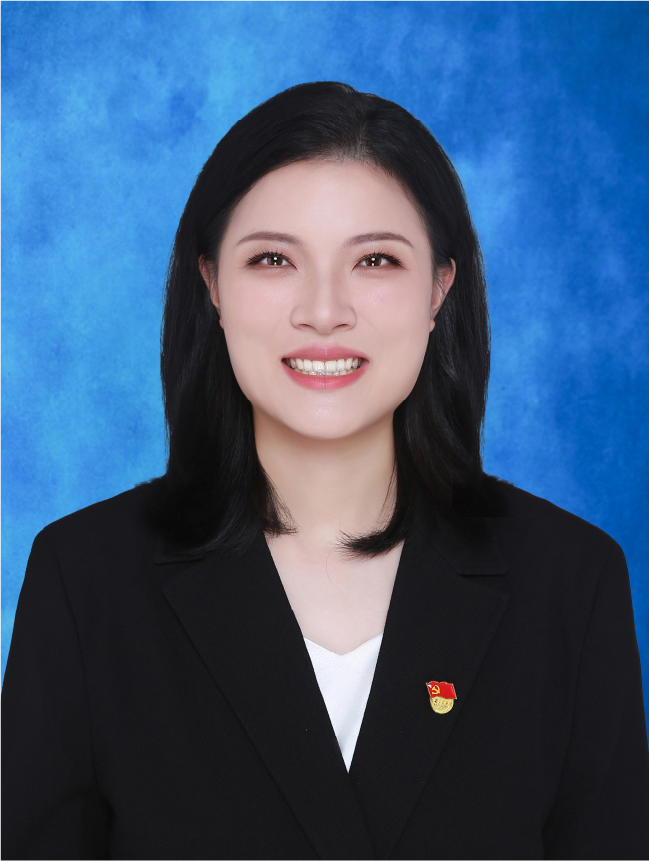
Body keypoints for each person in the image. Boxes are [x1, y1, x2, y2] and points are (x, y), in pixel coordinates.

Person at [0, 81, 647, 860]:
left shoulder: (570, 583)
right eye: (273, 259)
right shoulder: (86, 580)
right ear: (211, 284)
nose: (323, 310)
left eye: (375, 259)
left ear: (439, 287)